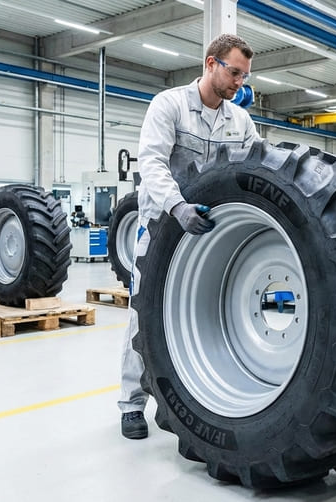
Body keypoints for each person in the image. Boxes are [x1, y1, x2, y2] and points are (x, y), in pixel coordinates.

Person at [118, 34, 259, 439]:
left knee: (203, 313)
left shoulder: (240, 121)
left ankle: (196, 386)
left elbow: (257, 168)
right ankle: (131, 404)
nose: (239, 83)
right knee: (143, 316)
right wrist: (177, 207)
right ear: (210, 63)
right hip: (164, 226)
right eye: (234, 72)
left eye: (245, 76)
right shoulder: (171, 105)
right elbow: (152, 162)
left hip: (215, 230)